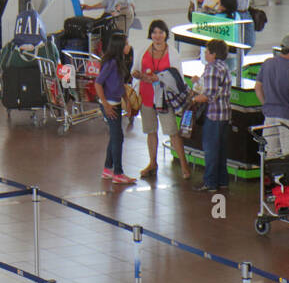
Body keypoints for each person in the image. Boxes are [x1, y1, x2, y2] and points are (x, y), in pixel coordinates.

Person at [132, 20, 189, 181]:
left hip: (164, 98)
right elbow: (135, 69)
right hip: (146, 96)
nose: (157, 36)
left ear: (165, 34)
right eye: (154, 32)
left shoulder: (172, 53)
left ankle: (184, 165)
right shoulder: (144, 50)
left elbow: (177, 77)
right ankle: (152, 163)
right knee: (151, 131)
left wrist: (159, 78)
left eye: (160, 32)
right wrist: (139, 75)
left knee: (172, 132)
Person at [189, 39, 233, 194]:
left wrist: (193, 99)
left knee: (211, 150)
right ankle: (222, 181)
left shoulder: (212, 68)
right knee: (221, 150)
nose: (205, 54)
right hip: (225, 114)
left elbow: (208, 95)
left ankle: (210, 183)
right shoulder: (224, 67)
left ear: (214, 54)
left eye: (207, 52)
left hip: (213, 115)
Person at [254, 34, 289, 159]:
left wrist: (266, 105)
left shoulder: (267, 63)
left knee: (271, 153)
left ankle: (272, 172)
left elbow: (258, 88)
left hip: (269, 116)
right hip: (287, 117)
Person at [94, 33, 136, 184]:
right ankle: (118, 172)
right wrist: (106, 104)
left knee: (115, 136)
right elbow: (98, 83)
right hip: (110, 104)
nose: (129, 46)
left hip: (116, 102)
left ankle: (107, 168)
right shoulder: (111, 63)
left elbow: (119, 84)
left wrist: (127, 101)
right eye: (126, 44)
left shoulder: (119, 61)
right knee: (117, 137)